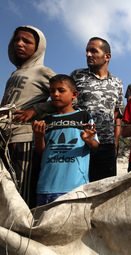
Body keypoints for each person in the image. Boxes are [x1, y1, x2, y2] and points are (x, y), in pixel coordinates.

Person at [0, 25, 56, 207]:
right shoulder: (14, 74)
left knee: (20, 190)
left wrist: (37, 110)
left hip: (24, 138)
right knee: (5, 188)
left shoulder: (43, 71)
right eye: (16, 40)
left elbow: (68, 95)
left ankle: (23, 231)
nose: (20, 44)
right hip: (5, 136)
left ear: (38, 47)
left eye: (27, 41)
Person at [32, 74, 98, 206]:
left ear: (74, 94)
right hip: (46, 186)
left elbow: (95, 145)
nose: (55, 94)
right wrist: (39, 136)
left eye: (61, 90)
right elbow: (40, 152)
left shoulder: (84, 116)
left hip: (74, 188)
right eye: (52, 91)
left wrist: (89, 140)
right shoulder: (45, 121)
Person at [71, 37, 124, 181]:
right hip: (79, 142)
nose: (88, 54)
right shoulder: (77, 76)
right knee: (77, 189)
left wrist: (115, 144)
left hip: (106, 145)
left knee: (104, 189)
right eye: (87, 51)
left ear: (107, 57)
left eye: (93, 51)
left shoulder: (117, 83)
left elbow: (117, 115)